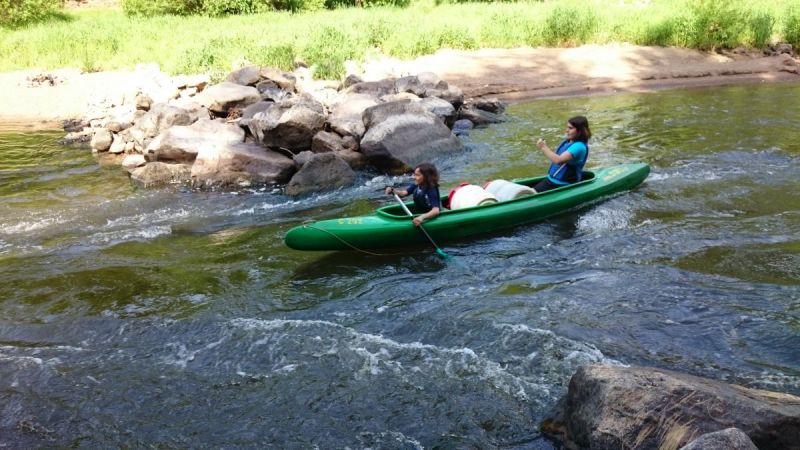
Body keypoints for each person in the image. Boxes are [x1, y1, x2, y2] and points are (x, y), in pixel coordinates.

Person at [534, 115, 591, 193]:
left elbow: (558, 160)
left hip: (562, 185)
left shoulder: (579, 146)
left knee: (529, 194)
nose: (566, 130)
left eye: (570, 128)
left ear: (580, 131)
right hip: (552, 180)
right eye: (567, 127)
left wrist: (543, 147)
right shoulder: (569, 141)